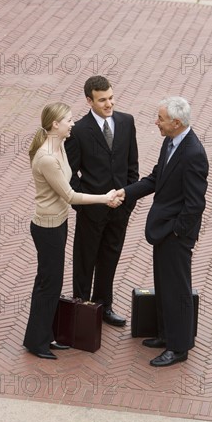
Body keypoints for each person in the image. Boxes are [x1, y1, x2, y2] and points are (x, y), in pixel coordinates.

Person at [23, 102, 121, 360]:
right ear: (55, 124)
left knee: (48, 282)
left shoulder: (60, 146)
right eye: (68, 120)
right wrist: (104, 198)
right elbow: (69, 195)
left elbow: (71, 176)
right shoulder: (47, 158)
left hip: (58, 223)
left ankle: (39, 335)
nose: (73, 123)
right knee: (49, 284)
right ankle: (38, 342)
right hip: (47, 228)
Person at [116, 96, 209, 367]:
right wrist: (126, 192)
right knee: (165, 286)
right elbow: (156, 178)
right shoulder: (170, 141)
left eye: (161, 119)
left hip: (176, 236)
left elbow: (195, 204)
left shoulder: (193, 154)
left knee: (178, 290)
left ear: (176, 122)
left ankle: (179, 347)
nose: (156, 122)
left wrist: (178, 232)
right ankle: (166, 334)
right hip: (164, 232)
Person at [65, 76, 139, 327]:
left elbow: (132, 166)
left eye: (111, 97)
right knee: (84, 261)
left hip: (120, 210)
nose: (109, 104)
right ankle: (81, 310)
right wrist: (83, 204)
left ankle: (104, 306)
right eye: (102, 100)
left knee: (110, 258)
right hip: (91, 211)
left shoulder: (126, 122)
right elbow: (70, 175)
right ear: (89, 100)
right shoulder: (78, 131)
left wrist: (127, 199)